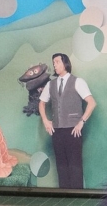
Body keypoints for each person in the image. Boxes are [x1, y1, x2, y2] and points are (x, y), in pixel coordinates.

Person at [39, 53, 97, 189]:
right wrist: (46, 121)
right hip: (57, 131)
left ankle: (77, 196)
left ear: (65, 63)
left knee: (75, 165)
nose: (54, 65)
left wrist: (81, 122)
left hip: (73, 130)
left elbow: (92, 103)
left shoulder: (78, 81)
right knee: (61, 166)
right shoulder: (50, 84)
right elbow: (41, 103)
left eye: (57, 62)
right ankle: (64, 195)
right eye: (53, 62)